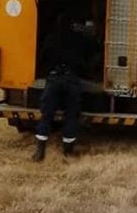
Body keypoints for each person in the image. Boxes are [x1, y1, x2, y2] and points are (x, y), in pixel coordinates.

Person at [32, 12, 93, 162]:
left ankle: (40, 150)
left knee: (46, 115)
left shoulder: (50, 39)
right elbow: (86, 61)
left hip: (53, 79)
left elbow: (42, 58)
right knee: (71, 115)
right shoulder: (79, 40)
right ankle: (68, 151)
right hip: (71, 80)